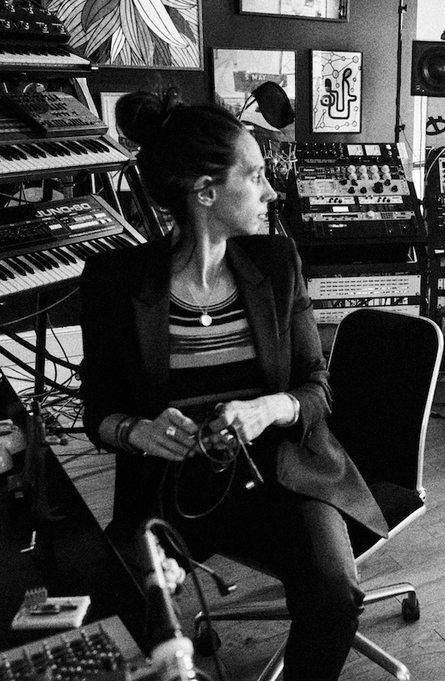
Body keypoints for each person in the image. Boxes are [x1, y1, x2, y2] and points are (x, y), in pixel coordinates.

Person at [78, 89, 388, 681]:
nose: (271, 191)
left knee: (335, 595)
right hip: (166, 488)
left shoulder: (277, 262)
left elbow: (317, 388)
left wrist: (269, 408)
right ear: (205, 191)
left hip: (281, 473)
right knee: (124, 605)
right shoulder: (114, 281)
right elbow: (98, 413)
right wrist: (138, 431)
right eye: (256, 174)